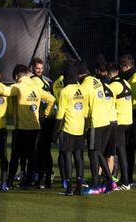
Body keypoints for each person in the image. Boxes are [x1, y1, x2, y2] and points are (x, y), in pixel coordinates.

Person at [0, 64, 55, 189]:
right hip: (35, 128)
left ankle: (9, 182)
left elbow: (4, 91)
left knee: (15, 156)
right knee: (31, 156)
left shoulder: (18, 86)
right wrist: (45, 115)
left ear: (17, 75)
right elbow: (52, 99)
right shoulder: (36, 87)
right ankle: (28, 182)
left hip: (21, 129)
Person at [79, 62, 114, 194]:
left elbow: (83, 105)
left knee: (93, 153)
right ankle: (110, 182)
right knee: (97, 152)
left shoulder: (84, 85)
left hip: (95, 122)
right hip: (105, 120)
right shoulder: (95, 80)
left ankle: (95, 186)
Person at [52, 65, 87, 196]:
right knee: (78, 157)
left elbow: (60, 115)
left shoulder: (64, 91)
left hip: (68, 128)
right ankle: (79, 187)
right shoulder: (82, 89)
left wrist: (55, 133)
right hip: (80, 128)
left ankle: (69, 188)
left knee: (67, 156)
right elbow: (85, 110)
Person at [119, 54, 136, 185]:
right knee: (130, 148)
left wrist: (132, 119)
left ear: (126, 66)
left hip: (135, 119)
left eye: (122, 67)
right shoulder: (131, 78)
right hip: (132, 118)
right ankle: (129, 176)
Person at [106, 63, 133, 190]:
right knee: (120, 150)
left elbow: (107, 104)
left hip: (118, 121)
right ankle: (123, 179)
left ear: (109, 73)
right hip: (127, 120)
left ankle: (125, 181)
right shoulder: (126, 83)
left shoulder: (113, 86)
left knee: (118, 151)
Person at [31, 57, 55, 188]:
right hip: (49, 118)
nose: (39, 70)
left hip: (42, 118)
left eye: (41, 68)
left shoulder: (34, 81)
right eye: (37, 68)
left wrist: (44, 115)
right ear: (33, 68)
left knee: (41, 149)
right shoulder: (47, 81)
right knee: (45, 149)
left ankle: (40, 178)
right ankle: (47, 177)